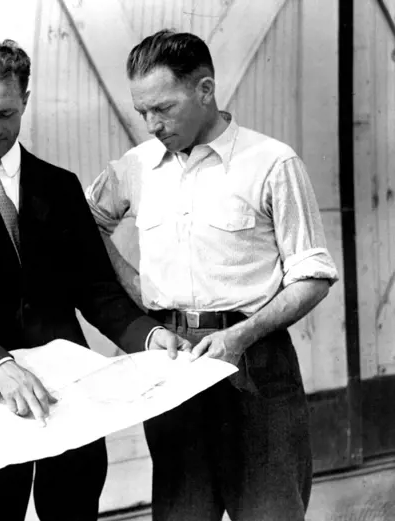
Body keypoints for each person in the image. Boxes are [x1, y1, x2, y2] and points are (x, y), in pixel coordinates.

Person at [0, 39, 189, 521]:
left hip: (71, 397)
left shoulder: (59, 186)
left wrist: (149, 334)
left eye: (6, 113)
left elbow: (96, 290)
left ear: (26, 102)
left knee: (74, 509)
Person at [85, 29, 339, 521]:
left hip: (256, 365)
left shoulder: (272, 162)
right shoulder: (136, 167)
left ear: (205, 90)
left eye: (163, 108)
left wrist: (242, 336)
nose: (152, 124)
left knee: (270, 512)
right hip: (171, 365)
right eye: (143, 113)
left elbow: (313, 275)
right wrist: (136, 284)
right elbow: (85, 224)